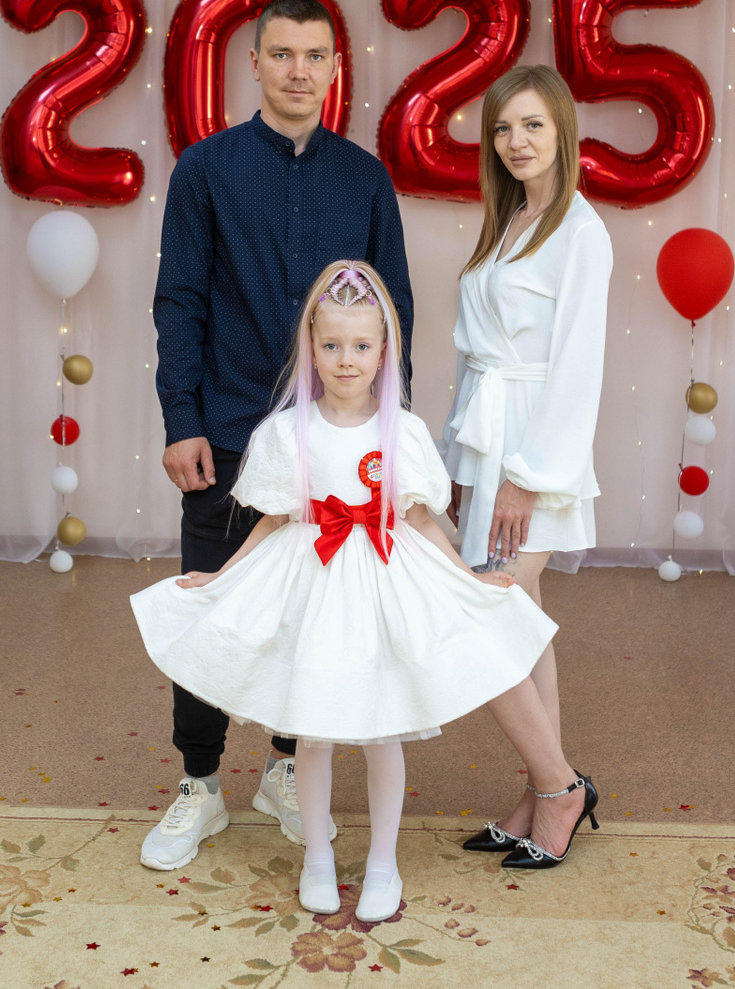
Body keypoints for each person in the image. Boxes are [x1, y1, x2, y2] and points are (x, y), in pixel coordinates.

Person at [133, 261, 572, 919]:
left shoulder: (404, 431)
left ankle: (382, 864)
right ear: (310, 348)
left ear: (384, 351)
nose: (346, 360)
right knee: (314, 734)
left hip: (382, 589)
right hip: (312, 586)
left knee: (380, 732)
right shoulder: (287, 432)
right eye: (332, 345)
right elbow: (272, 520)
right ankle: (317, 857)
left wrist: (467, 578)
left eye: (362, 345)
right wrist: (221, 579)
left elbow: (419, 519)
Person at [145, 0, 414, 871]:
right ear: (255, 63)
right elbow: (179, 302)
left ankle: (289, 771)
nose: (300, 70)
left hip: (333, 442)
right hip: (227, 431)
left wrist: (387, 436)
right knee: (213, 608)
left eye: (316, 55)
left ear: (336, 68)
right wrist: (182, 419)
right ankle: (199, 784)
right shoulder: (205, 172)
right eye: (284, 53)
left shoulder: (365, 179)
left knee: (316, 618)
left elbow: (394, 313)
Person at [441, 64, 614, 866]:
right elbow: (476, 359)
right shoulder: (508, 221)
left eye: (533, 125)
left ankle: (559, 787)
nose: (517, 141)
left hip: (537, 449)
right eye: (505, 128)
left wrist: (526, 475)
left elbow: (577, 368)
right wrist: (461, 462)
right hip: (489, 443)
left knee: (485, 615)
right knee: (523, 626)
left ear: (562, 131)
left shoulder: (581, 231)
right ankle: (543, 790)